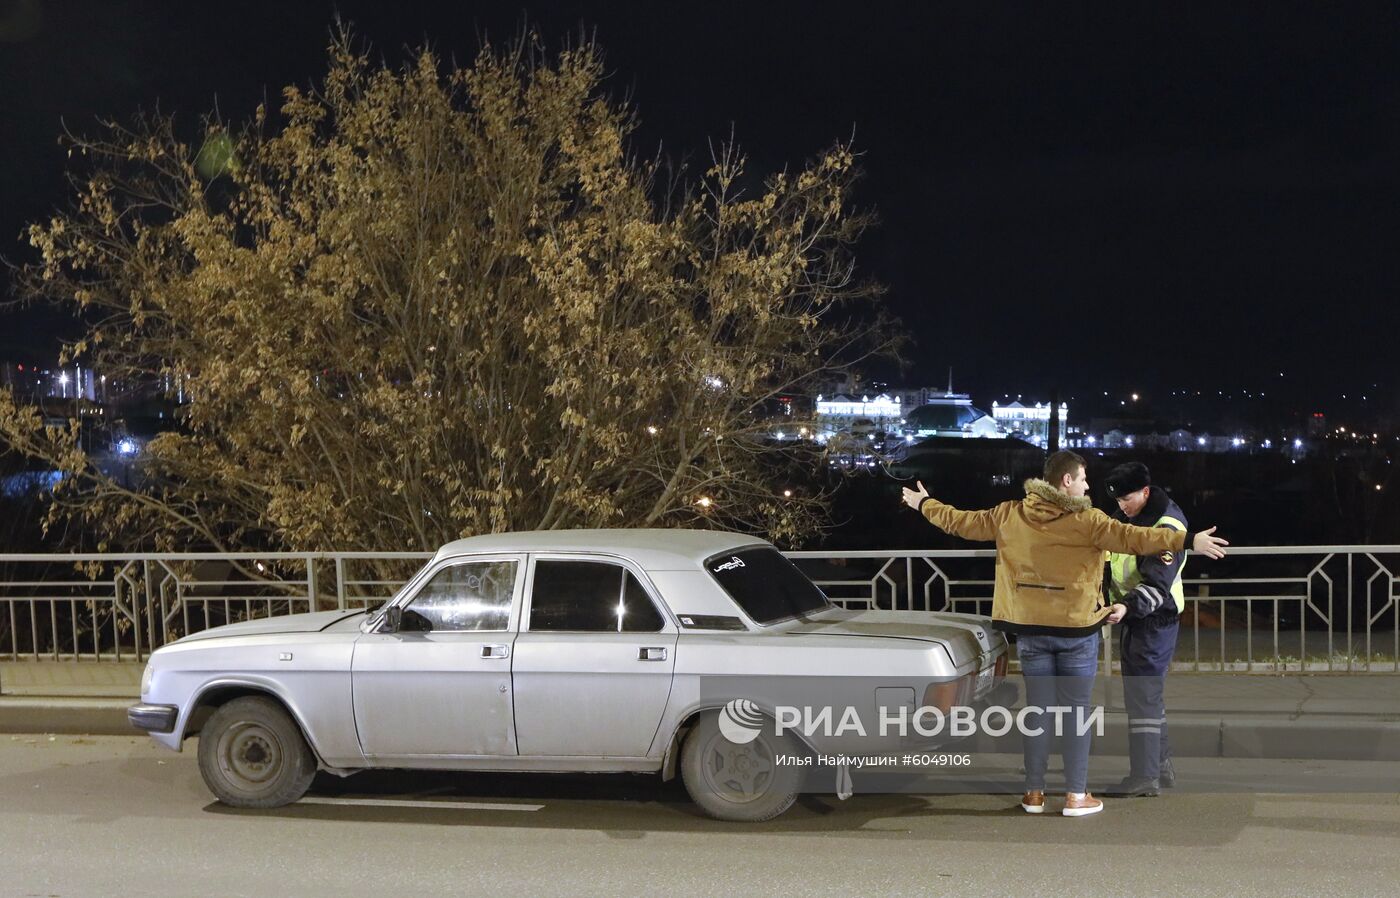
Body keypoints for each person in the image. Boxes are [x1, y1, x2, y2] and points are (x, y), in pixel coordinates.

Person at [901, 450, 1228, 818]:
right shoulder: (1089, 521)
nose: (1089, 486)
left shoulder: (1009, 514)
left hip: (1030, 631)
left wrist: (924, 503)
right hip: (1076, 631)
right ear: (1067, 481)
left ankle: (1034, 794)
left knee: (1037, 711)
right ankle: (1076, 796)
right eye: (1084, 479)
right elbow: (1136, 539)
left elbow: (959, 522)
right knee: (1076, 714)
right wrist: (1187, 541)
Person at [1102, 462, 1187, 797]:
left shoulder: (1166, 525)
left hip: (1154, 618)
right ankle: (1160, 766)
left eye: (1128, 499)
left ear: (1146, 491)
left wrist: (1126, 606)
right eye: (1119, 500)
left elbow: (1158, 582)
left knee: (1142, 698)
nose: (1123, 505)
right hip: (1136, 617)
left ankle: (1145, 775)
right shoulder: (1130, 517)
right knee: (1146, 696)